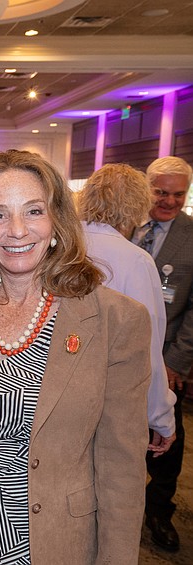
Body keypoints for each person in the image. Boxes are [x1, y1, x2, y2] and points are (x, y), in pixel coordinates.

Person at [0, 150, 151, 564]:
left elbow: (122, 469)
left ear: (57, 221)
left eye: (33, 211)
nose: (17, 230)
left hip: (39, 544)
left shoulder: (116, 320)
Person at [77, 163, 176, 457]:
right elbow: (147, 346)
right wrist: (161, 417)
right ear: (138, 204)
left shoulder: (60, 245)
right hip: (111, 397)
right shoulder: (136, 260)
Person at [131, 155, 193, 552]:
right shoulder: (127, 226)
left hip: (167, 358)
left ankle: (159, 512)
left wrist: (175, 362)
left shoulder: (191, 234)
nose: (170, 201)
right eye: (161, 192)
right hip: (121, 354)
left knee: (168, 439)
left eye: (178, 194)